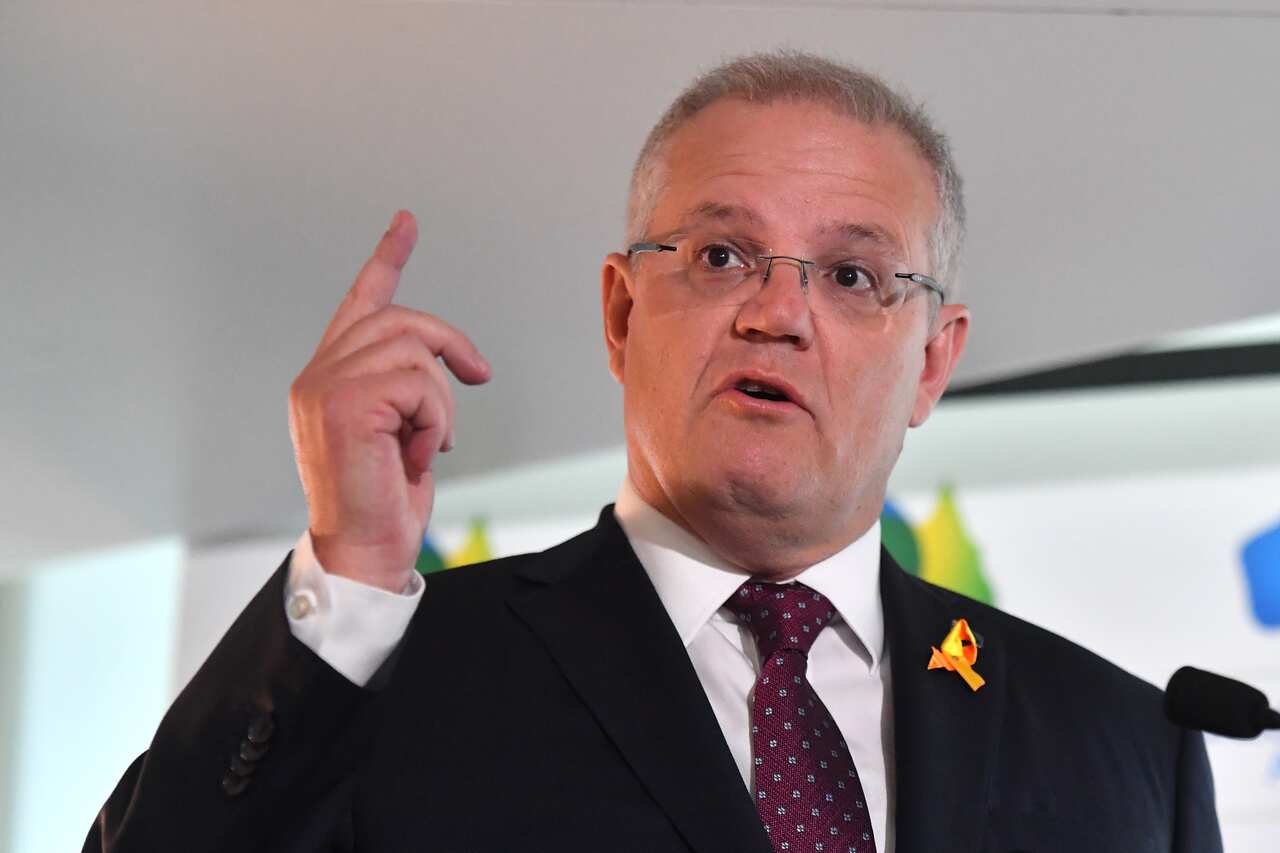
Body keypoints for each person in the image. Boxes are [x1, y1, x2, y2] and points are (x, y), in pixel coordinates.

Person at [86, 51, 1222, 852]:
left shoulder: (1122, 743)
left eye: (851, 276)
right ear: (622, 315)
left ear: (931, 360)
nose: (777, 313)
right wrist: (349, 570)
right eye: (722, 255)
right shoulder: (394, 677)